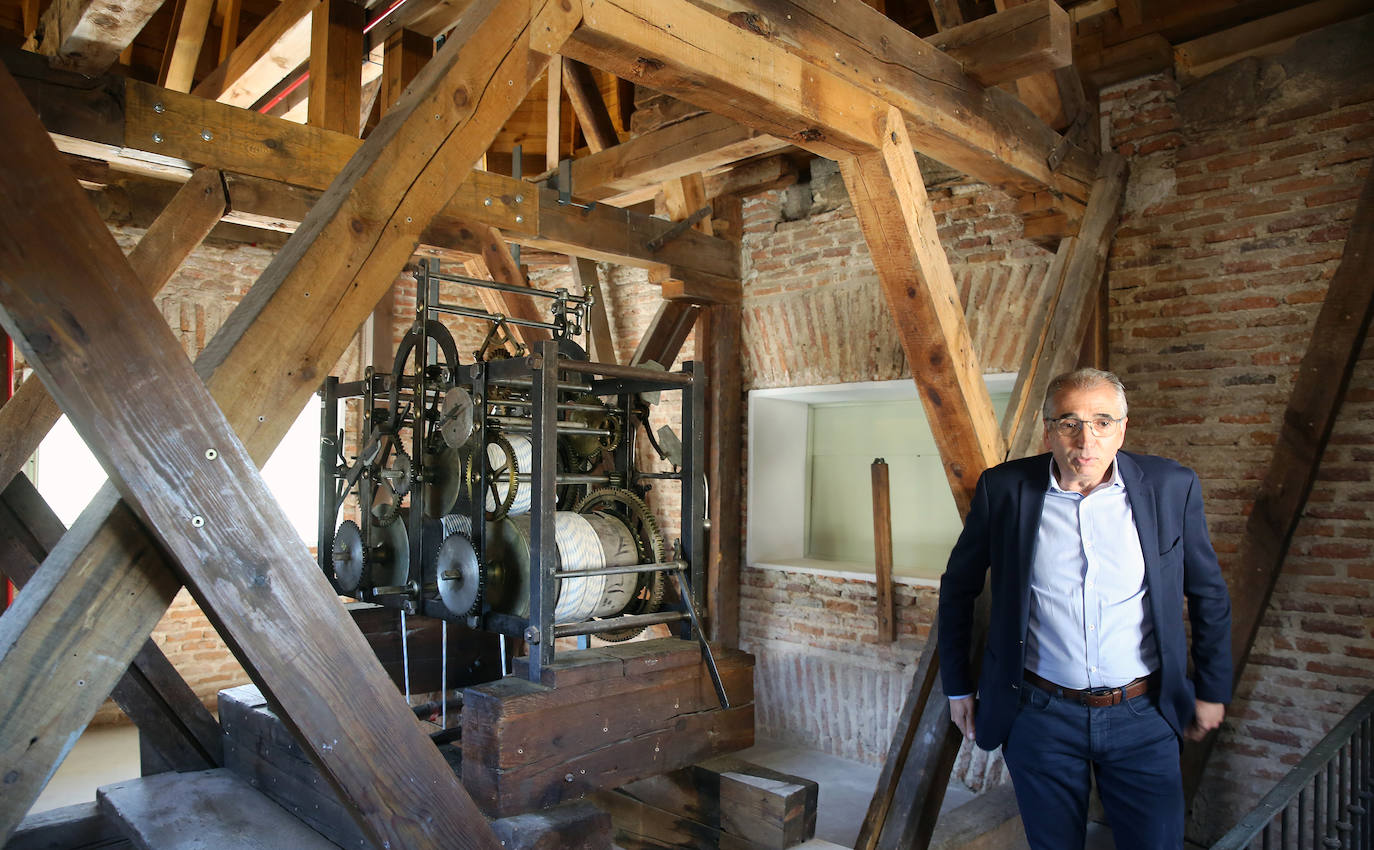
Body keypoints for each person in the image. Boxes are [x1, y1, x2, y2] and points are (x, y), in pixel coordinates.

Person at [937, 368, 1233, 850]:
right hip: (1039, 714)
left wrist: (1213, 687)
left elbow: (1208, 593)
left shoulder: (1170, 486)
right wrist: (957, 686)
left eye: (1101, 421)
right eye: (1069, 422)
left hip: (1145, 712)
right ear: (1048, 429)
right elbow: (958, 588)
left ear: (1123, 427)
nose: (1085, 439)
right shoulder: (1005, 489)